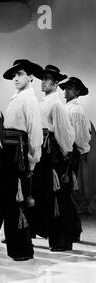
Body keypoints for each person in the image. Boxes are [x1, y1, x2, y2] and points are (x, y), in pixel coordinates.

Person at [0, 59, 43, 261]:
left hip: (18, 155)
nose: (16, 78)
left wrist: (32, 161)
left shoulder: (29, 99)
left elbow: (35, 134)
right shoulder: (17, 97)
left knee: (12, 201)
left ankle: (20, 250)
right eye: (14, 75)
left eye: (20, 74)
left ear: (31, 77)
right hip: (8, 152)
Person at [31, 65, 77, 251]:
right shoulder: (42, 102)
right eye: (42, 78)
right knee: (44, 196)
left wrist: (65, 154)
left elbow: (64, 132)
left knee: (56, 197)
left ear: (56, 82)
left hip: (52, 154)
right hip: (42, 151)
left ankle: (61, 240)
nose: (43, 82)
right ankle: (52, 236)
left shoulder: (56, 104)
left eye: (47, 79)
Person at [59, 76, 90, 241]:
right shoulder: (66, 108)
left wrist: (76, 152)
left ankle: (73, 230)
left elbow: (80, 136)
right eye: (65, 88)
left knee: (66, 189)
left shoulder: (76, 110)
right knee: (64, 190)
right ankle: (69, 228)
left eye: (70, 88)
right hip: (66, 152)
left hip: (70, 153)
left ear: (77, 92)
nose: (66, 91)